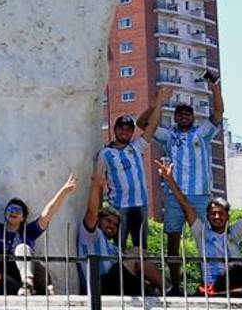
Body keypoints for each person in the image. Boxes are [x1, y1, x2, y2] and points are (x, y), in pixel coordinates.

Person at [156, 158, 242, 296]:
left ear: (227, 217)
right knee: (236, 268)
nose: (217, 217)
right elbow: (185, 205)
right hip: (212, 286)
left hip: (233, 284)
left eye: (221, 214)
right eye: (213, 214)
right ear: (208, 217)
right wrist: (170, 180)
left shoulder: (233, 233)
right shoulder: (202, 234)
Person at [142, 73, 224, 296]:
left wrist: (214, 86)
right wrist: (157, 102)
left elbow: (218, 113)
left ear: (193, 117)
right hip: (174, 195)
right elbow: (142, 124)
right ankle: (176, 287)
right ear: (175, 117)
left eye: (188, 113)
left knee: (206, 242)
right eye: (180, 113)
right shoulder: (169, 135)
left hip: (199, 195)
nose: (184, 116)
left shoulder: (202, 132)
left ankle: (212, 285)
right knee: (172, 241)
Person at [0, 157, 78, 294]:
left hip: (31, 277)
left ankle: (28, 284)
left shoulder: (29, 231)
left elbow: (48, 213)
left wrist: (64, 191)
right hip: (7, 280)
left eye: (17, 211)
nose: (13, 212)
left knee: (22, 248)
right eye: (10, 209)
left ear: (23, 217)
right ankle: (23, 290)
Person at [77, 162, 164, 295]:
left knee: (139, 263)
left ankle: (156, 293)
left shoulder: (112, 246)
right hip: (100, 285)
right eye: (108, 221)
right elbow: (92, 212)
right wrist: (96, 185)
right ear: (99, 220)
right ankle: (169, 289)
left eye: (116, 224)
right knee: (136, 253)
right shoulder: (92, 236)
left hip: (117, 282)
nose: (112, 225)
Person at [96, 114, 150, 249]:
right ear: (114, 130)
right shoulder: (105, 153)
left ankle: (140, 270)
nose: (124, 132)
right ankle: (117, 269)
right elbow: (98, 181)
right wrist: (98, 209)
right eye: (121, 128)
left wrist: (159, 102)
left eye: (128, 129)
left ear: (132, 132)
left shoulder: (137, 146)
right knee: (118, 246)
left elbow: (152, 128)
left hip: (140, 204)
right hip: (118, 207)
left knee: (141, 248)